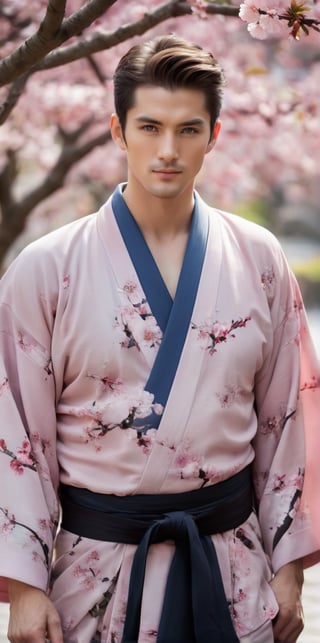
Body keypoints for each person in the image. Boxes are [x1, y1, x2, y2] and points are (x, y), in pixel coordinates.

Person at [0, 34, 319, 643]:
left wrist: (289, 565)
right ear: (118, 133)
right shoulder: (45, 270)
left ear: (215, 136)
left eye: (188, 130)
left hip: (233, 572)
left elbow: (288, 424)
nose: (167, 150)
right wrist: (26, 587)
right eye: (148, 127)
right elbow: (14, 436)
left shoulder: (260, 259)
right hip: (95, 580)